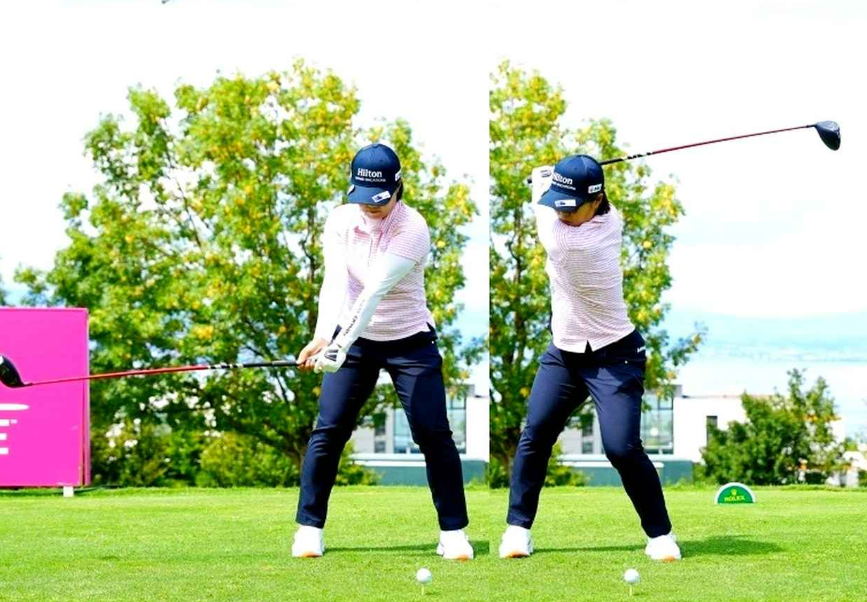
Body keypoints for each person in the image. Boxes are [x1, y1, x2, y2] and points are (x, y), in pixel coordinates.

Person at [291, 143, 473, 560]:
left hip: (409, 340)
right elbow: (336, 281)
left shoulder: (413, 228)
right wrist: (323, 337)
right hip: (353, 341)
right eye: (362, 197)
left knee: (432, 434)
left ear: (397, 188)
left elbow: (373, 290)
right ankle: (309, 529)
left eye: (378, 199)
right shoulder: (340, 220)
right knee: (329, 430)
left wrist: (337, 346)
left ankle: (453, 533)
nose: (369, 207)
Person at [498, 155, 681, 561]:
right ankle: (517, 529)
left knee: (621, 447)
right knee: (535, 434)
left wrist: (540, 181)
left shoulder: (577, 242)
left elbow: (542, 213)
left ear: (597, 201)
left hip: (615, 355)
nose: (562, 213)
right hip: (565, 352)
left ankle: (661, 535)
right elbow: (555, 201)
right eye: (558, 204)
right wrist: (557, 181)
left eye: (571, 206)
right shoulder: (600, 214)